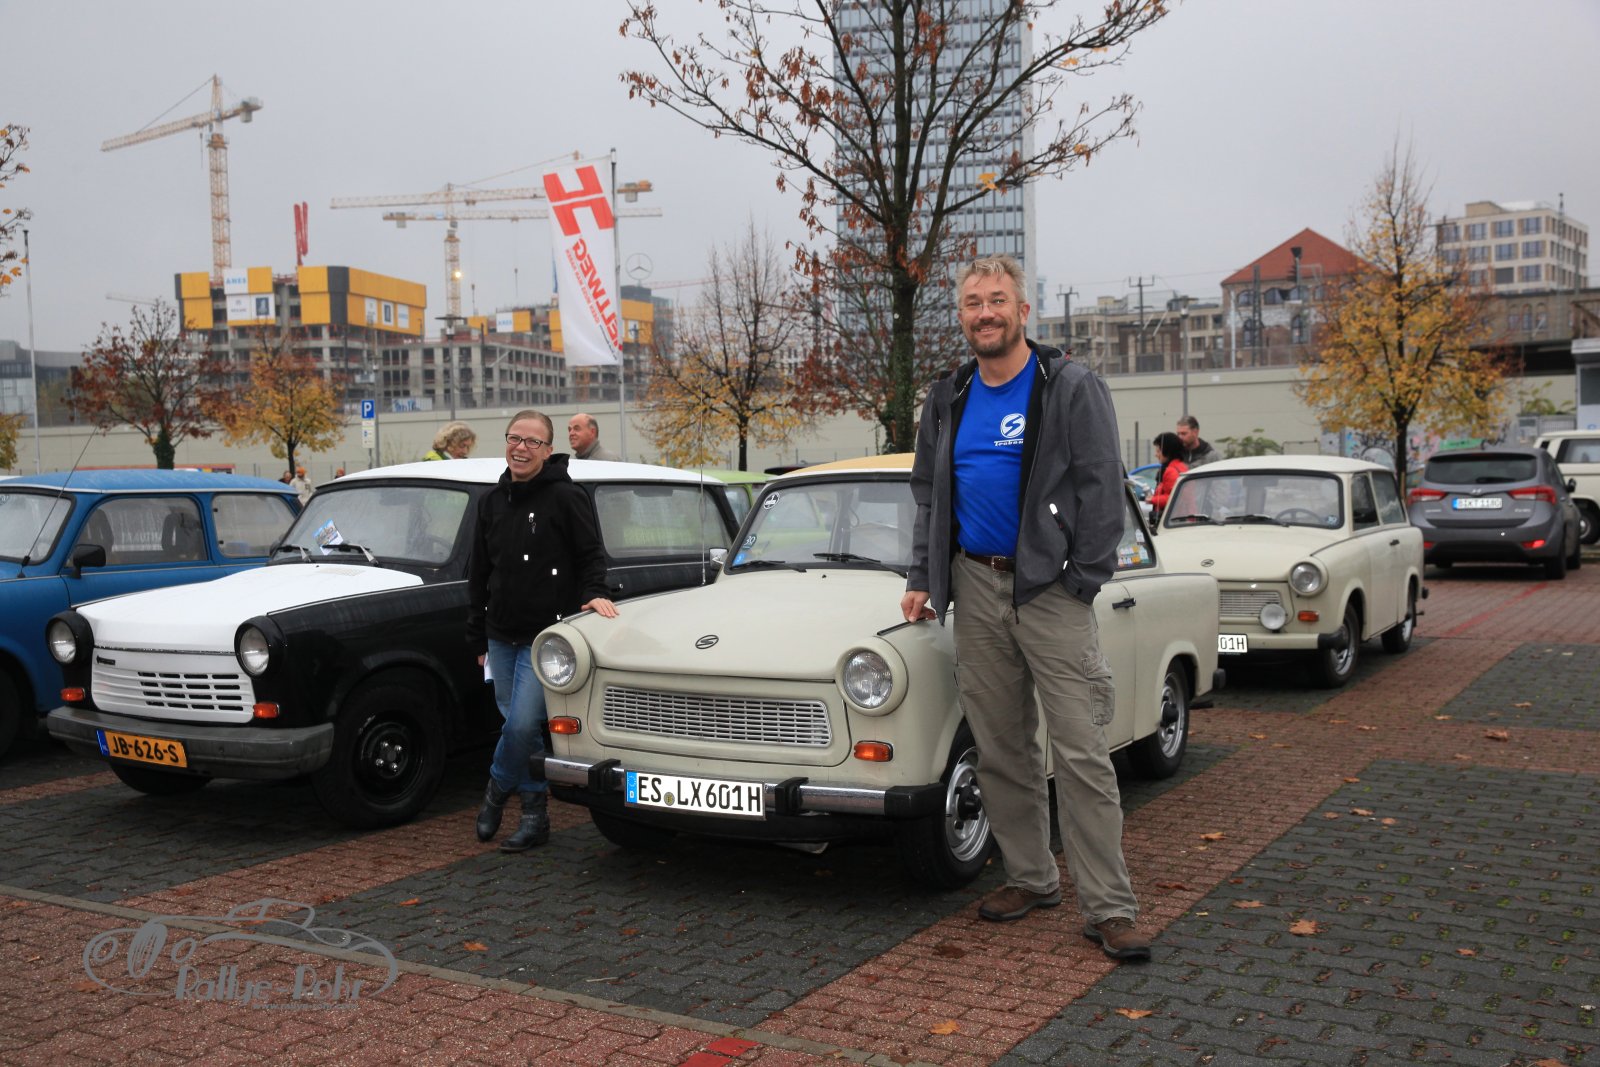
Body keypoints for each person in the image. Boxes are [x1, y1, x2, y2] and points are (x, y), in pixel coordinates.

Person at [900, 255, 1151, 962]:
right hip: (973, 587)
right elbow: (929, 495)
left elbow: (1102, 489)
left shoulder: (1068, 386)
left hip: (1050, 593)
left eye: (997, 300)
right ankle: (1032, 878)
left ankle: (1109, 908)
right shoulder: (948, 394)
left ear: (1022, 310)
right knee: (1002, 748)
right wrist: (923, 574)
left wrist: (1080, 578)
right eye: (973, 302)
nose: (985, 313)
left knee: (1080, 753)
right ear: (961, 314)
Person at [467, 410, 619, 852]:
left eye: (533, 441)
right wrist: (477, 636)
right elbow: (479, 574)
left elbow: (591, 555)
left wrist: (595, 593)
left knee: (519, 727)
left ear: (548, 450)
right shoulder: (490, 502)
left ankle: (496, 790)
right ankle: (535, 817)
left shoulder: (566, 497)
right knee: (521, 729)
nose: (521, 448)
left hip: (547, 640)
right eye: (515, 438)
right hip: (500, 634)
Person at [1149, 431, 1190, 524]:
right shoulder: (1181, 466)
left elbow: (1173, 498)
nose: (1156, 454)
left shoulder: (1171, 471)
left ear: (1167, 451)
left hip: (1174, 520)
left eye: (1158, 451)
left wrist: (1152, 499)